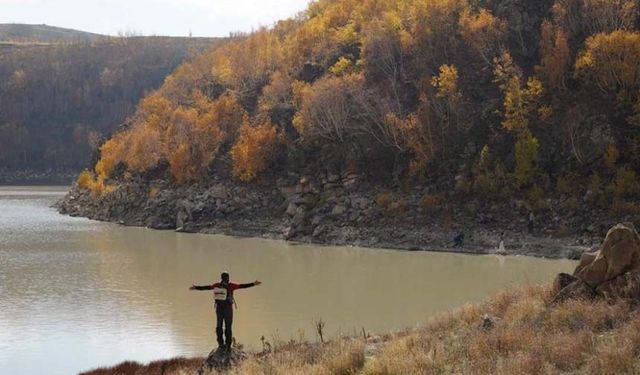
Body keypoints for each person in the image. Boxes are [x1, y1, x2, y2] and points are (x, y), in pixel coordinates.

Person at [190, 271, 262, 350]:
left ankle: (220, 344)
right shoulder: (231, 285)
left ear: (221, 278)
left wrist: (196, 287)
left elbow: (206, 287)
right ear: (227, 277)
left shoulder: (217, 285)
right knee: (228, 327)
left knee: (219, 325)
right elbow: (242, 286)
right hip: (228, 309)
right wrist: (253, 283)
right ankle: (228, 345)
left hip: (219, 308)